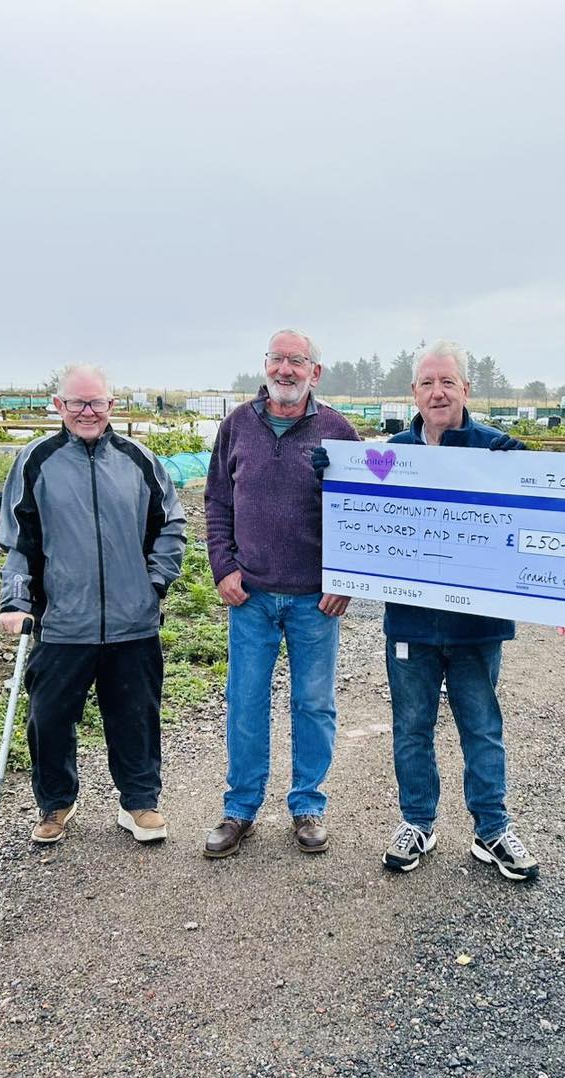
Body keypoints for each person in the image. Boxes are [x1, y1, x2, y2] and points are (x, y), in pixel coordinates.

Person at [315, 341, 537, 880]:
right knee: (412, 726)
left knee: (481, 727)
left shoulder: (497, 451)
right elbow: (362, 520)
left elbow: (534, 519)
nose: (438, 392)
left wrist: (526, 470)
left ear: (466, 389)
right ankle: (417, 822)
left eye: (448, 382)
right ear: (414, 392)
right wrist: (334, 475)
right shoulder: (390, 454)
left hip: (477, 626)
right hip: (410, 624)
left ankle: (492, 828)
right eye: (428, 383)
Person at [0, 364, 187, 845]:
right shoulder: (35, 461)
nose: (87, 412)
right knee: (49, 719)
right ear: (58, 405)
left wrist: (154, 584)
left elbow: (170, 525)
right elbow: (19, 540)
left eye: (96, 402)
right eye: (77, 403)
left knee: (135, 717)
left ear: (111, 405)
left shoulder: (139, 460)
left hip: (133, 623)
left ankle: (139, 803)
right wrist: (16, 600)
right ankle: (56, 803)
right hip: (63, 621)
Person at [203, 329, 360, 857]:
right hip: (250, 596)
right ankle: (240, 808)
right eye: (277, 359)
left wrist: (343, 577)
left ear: (315, 371)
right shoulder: (236, 426)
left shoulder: (337, 431)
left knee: (313, 703)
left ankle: (308, 805)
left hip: (315, 600)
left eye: (297, 360)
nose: (285, 369)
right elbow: (217, 501)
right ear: (265, 364)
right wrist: (223, 566)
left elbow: (359, 511)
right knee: (245, 701)